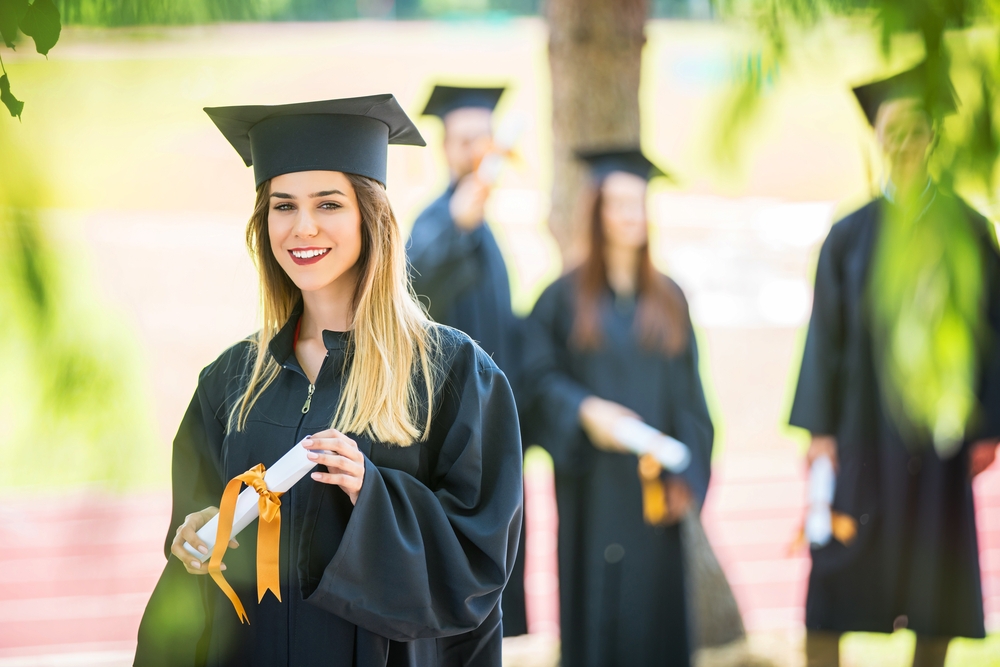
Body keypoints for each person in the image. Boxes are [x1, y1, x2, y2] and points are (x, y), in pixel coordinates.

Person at [133, 94, 523, 667]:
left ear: (372, 215)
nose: (303, 226)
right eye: (283, 205)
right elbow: (199, 566)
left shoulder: (452, 375)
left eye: (329, 203)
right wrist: (197, 538)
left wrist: (373, 492)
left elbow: (477, 568)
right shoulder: (232, 383)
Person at [790, 63, 1000, 667]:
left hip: (940, 439)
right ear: (876, 138)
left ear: (934, 136)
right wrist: (820, 430)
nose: (905, 142)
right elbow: (824, 338)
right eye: (892, 130)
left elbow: (992, 335)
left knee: (939, 583)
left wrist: (987, 427)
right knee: (832, 584)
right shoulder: (848, 236)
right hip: (860, 436)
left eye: (917, 129)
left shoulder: (969, 229)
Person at [519, 149, 714, 667]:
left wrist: (689, 477)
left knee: (656, 617)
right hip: (593, 492)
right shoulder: (560, 299)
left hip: (654, 495)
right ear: (596, 211)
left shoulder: (669, 298)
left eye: (640, 203)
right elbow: (533, 382)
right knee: (599, 619)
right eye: (619, 202)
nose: (632, 214)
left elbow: (692, 403)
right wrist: (584, 410)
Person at [407, 84, 528, 636]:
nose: (476, 150)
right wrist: (459, 221)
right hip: (448, 433)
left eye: (485, 139)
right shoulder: (435, 222)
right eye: (465, 140)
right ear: (447, 148)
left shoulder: (489, 234)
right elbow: (417, 280)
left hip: (491, 429)